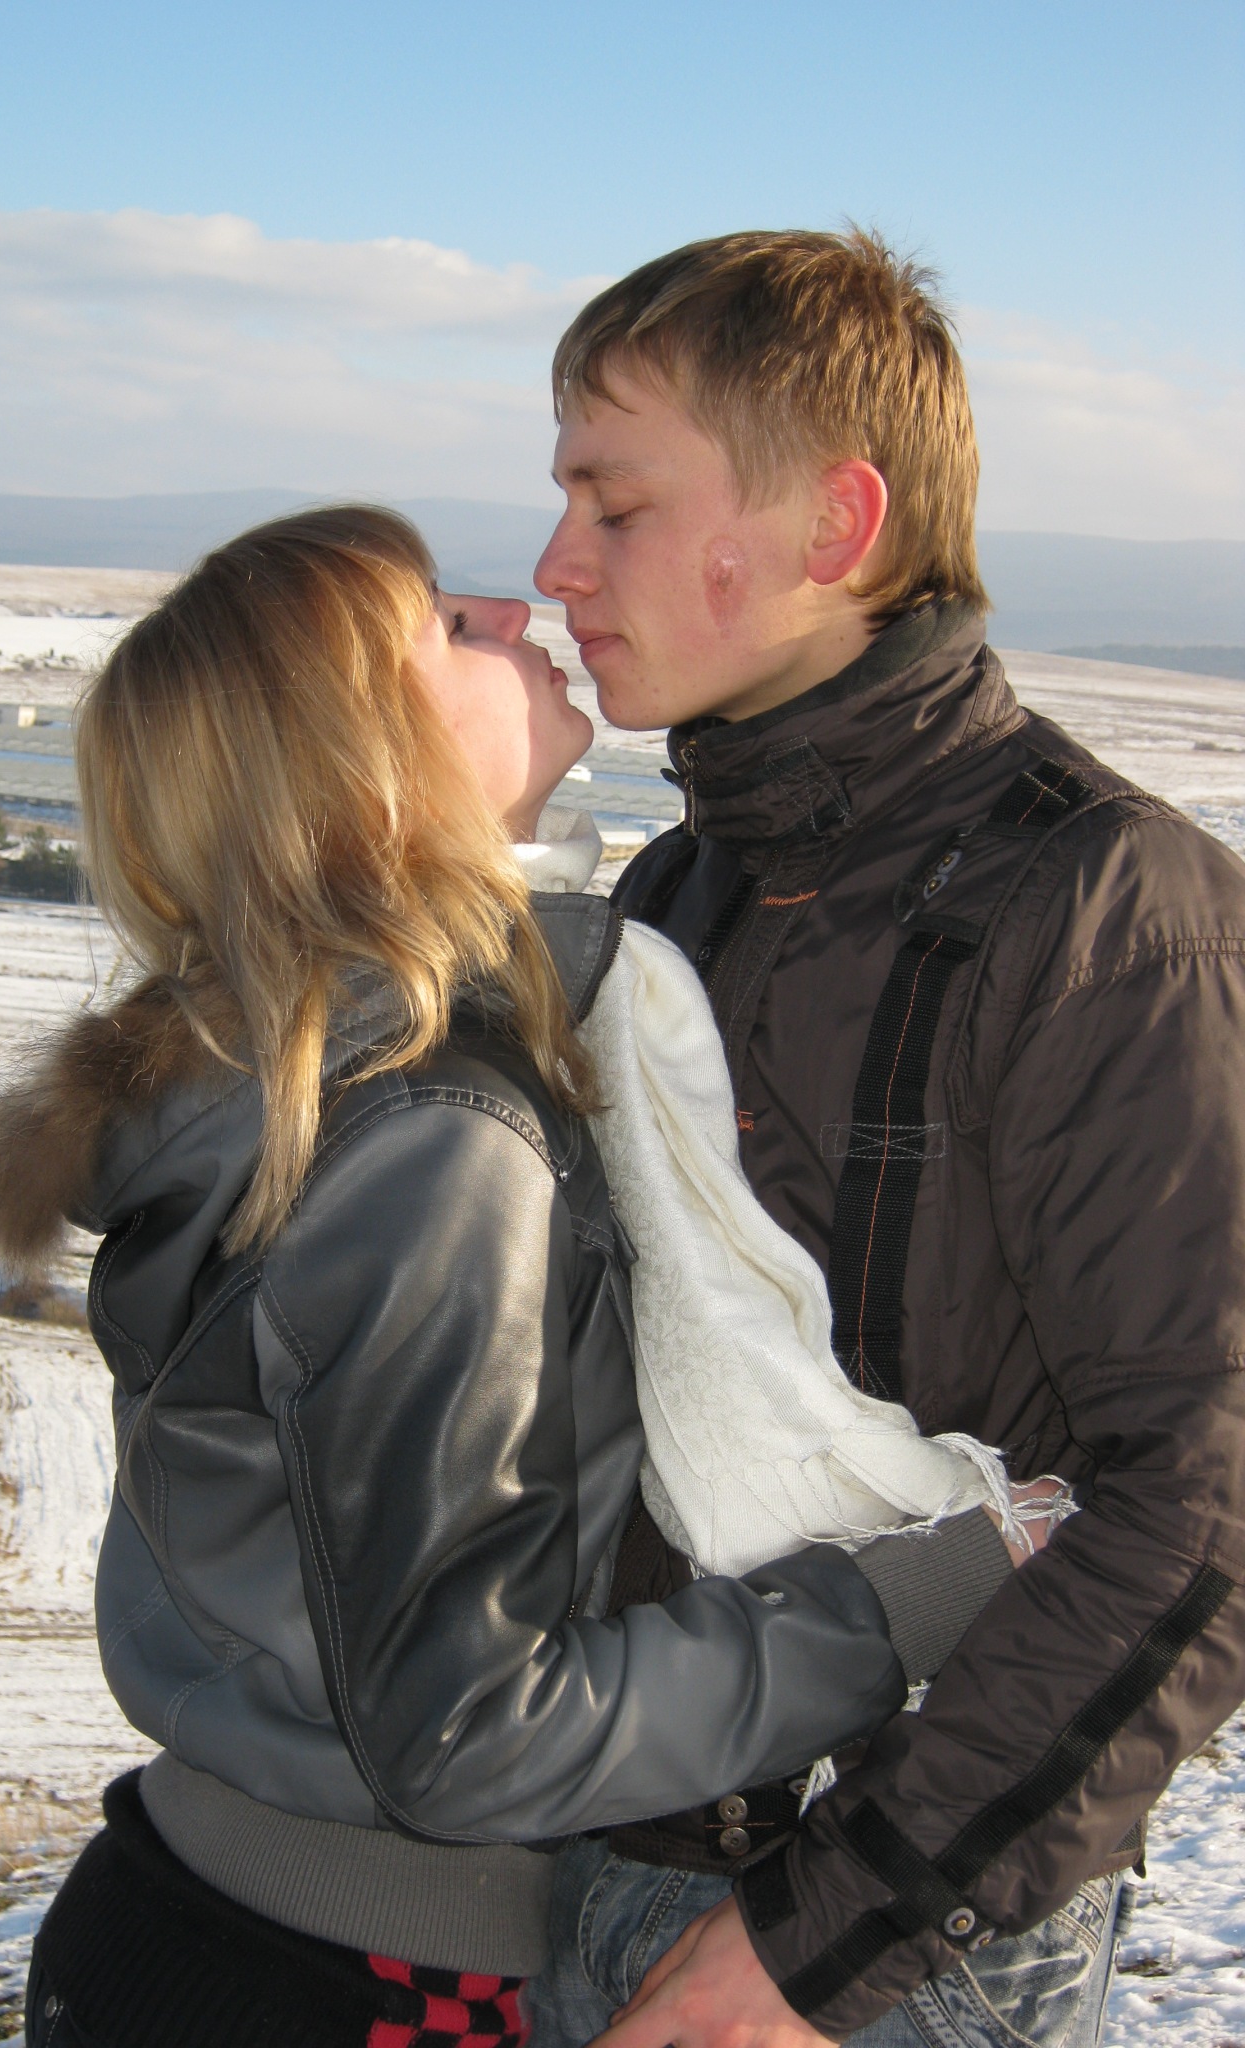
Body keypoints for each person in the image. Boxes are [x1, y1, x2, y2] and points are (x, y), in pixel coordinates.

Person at [0, 506, 1024, 2048]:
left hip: (206, 1919)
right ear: (362, 762)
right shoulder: (427, 1135)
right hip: (358, 1983)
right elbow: (472, 1729)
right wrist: (924, 1589)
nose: (516, 606)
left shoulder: (282, 1076)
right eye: (448, 627)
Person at [529, 229, 1245, 2048]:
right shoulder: (682, 890)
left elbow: (1211, 1501)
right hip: (603, 1868)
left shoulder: (1105, 912)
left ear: (836, 528)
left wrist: (822, 1942)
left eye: (616, 505)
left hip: (886, 1949)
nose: (557, 566)